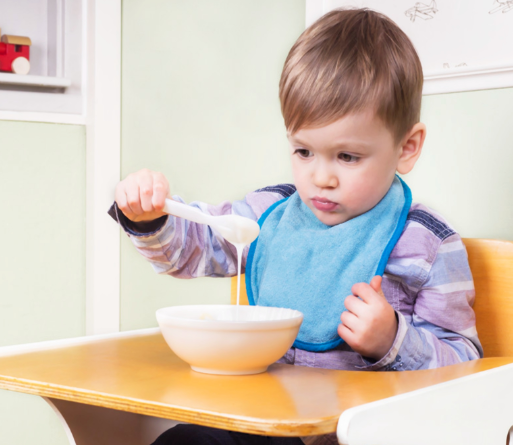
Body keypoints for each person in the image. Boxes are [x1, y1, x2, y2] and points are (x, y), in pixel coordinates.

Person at [109, 8, 482, 445]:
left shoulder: (428, 245)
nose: (320, 178)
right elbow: (199, 243)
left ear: (407, 147)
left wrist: (391, 340)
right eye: (303, 151)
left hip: (354, 434)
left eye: (347, 157)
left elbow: (466, 368)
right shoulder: (269, 214)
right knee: (181, 441)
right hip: (260, 421)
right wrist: (150, 216)